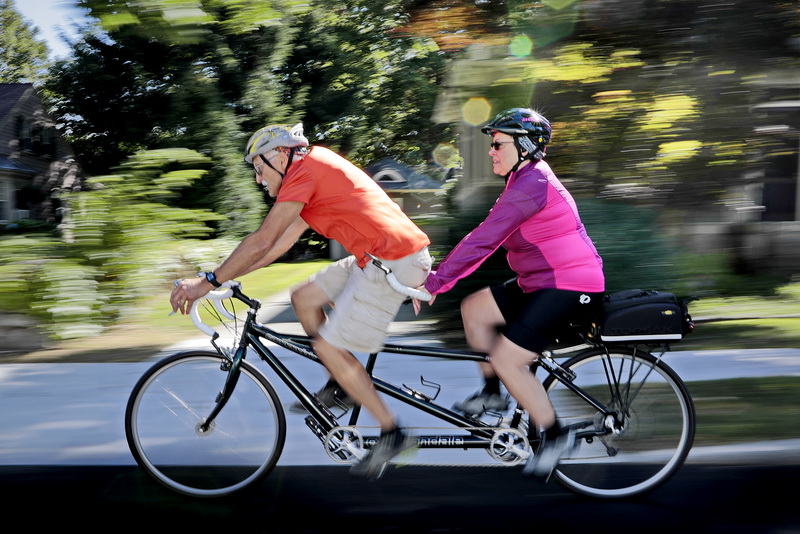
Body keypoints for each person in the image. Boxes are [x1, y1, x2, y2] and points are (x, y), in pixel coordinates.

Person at [170, 123, 432, 479]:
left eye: (259, 169)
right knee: (304, 297)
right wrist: (224, 276)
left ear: (280, 154)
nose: (259, 180)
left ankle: (392, 433)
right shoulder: (309, 171)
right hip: (376, 258)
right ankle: (342, 385)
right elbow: (276, 245)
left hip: (393, 262)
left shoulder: (305, 171)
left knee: (331, 347)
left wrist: (208, 281)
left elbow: (263, 240)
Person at [419, 108, 605, 479]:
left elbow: (484, 240)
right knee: (475, 309)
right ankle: (492, 394)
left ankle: (554, 436)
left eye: (497, 143)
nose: (491, 150)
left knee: (508, 359)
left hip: (570, 285)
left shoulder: (532, 185)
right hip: (540, 282)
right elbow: (487, 237)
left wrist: (436, 281)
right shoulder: (523, 180)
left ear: (523, 146)